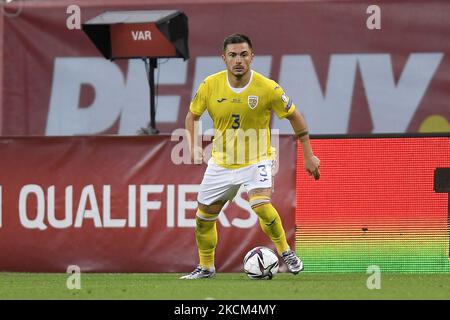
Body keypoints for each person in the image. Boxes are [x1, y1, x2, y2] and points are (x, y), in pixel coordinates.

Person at [181, 34, 320, 279]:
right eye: (233, 55)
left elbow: (295, 116)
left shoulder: (267, 88)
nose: (238, 60)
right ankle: (206, 268)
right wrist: (193, 146)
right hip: (221, 163)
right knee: (203, 219)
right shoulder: (209, 85)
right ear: (223, 58)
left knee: (260, 204)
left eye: (244, 55)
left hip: (257, 159)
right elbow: (192, 116)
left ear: (252, 57)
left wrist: (309, 154)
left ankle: (286, 252)